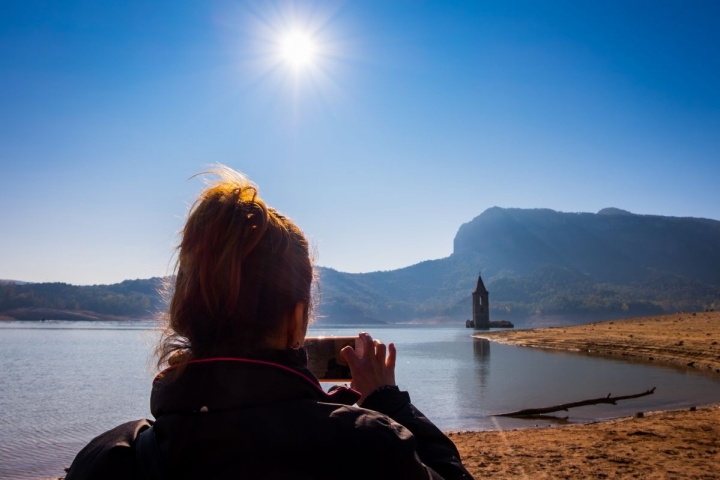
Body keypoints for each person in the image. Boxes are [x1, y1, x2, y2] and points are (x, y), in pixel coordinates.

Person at [65, 166, 473, 479]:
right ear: (297, 317)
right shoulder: (368, 445)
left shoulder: (106, 461)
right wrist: (386, 399)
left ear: (186, 308)